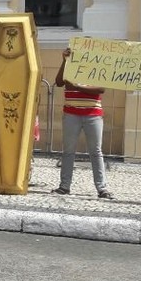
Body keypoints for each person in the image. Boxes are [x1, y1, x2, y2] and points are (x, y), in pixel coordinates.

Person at [52, 47, 112, 199]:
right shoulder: (69, 65)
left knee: (96, 151)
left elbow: (101, 89)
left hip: (93, 114)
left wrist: (78, 87)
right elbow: (59, 82)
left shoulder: (97, 67)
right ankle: (64, 186)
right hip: (72, 113)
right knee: (68, 151)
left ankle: (101, 188)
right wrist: (63, 60)